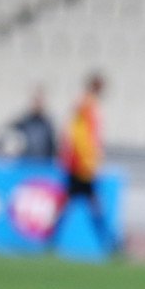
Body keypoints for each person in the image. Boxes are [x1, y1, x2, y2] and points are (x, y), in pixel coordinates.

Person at [56, 72, 112, 248]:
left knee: (75, 204)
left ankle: (50, 240)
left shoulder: (86, 104)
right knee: (91, 205)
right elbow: (78, 135)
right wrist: (87, 160)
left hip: (80, 164)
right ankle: (108, 243)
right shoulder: (86, 104)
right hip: (81, 166)